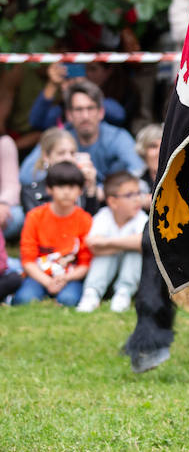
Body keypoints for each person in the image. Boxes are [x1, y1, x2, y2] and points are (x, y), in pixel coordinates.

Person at [18, 79, 143, 185]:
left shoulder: (117, 137)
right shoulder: (59, 136)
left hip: (108, 202)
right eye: (78, 109)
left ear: (101, 112)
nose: (85, 116)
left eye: (90, 108)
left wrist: (105, 190)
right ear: (68, 115)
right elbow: (26, 175)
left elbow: (139, 170)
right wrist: (64, 167)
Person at [12, 160, 91, 306]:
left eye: (72, 186)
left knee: (69, 300)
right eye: (60, 186)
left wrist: (65, 279)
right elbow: (27, 259)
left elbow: (85, 263)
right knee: (23, 300)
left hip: (70, 277)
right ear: (49, 189)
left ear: (80, 190)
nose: (66, 191)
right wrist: (47, 281)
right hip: (38, 275)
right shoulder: (35, 216)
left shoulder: (85, 220)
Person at [74, 170, 144, 313]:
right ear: (112, 201)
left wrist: (107, 243)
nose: (137, 199)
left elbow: (143, 242)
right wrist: (125, 244)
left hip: (131, 275)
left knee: (135, 253)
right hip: (105, 273)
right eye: (130, 195)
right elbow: (94, 246)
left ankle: (123, 293)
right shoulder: (103, 215)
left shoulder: (141, 218)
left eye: (138, 193)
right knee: (104, 256)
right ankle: (92, 293)